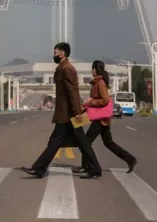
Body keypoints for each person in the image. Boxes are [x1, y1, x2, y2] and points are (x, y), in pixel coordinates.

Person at [22, 43, 103, 179]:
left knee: (62, 141)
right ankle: (94, 168)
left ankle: (39, 168)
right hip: (67, 114)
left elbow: (73, 92)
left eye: (55, 52)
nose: (53, 55)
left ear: (62, 54)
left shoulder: (67, 69)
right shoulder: (63, 68)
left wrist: (77, 113)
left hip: (69, 114)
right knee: (75, 141)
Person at [73, 60, 138, 175]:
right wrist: (80, 110)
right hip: (102, 119)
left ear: (95, 70)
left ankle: (87, 166)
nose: (91, 70)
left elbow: (105, 100)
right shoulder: (97, 82)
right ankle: (130, 159)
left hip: (100, 118)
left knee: (86, 141)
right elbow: (92, 103)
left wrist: (91, 101)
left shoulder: (100, 83)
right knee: (108, 143)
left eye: (92, 68)